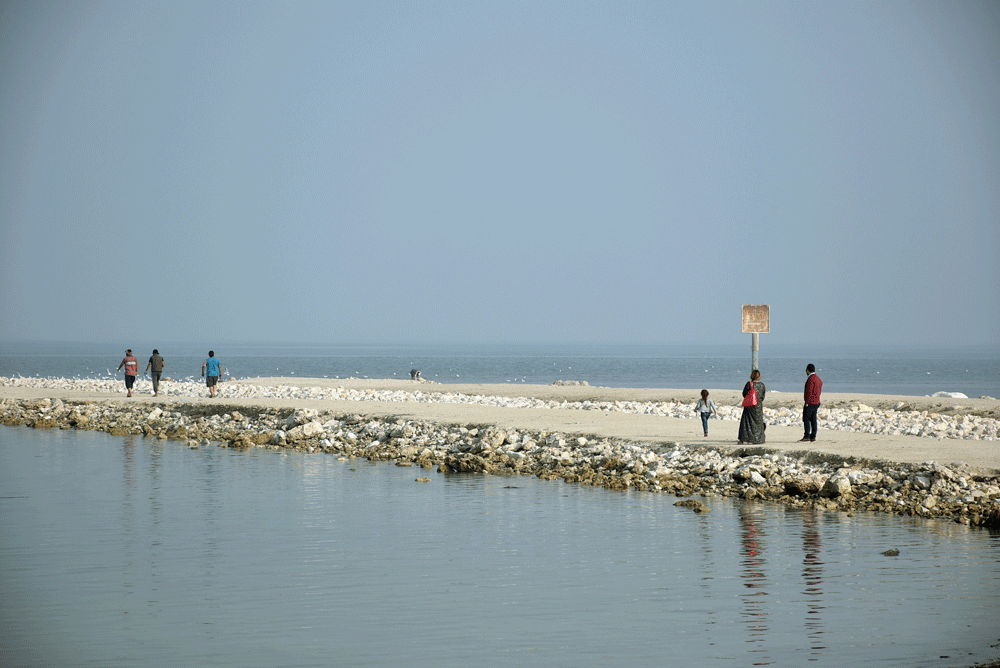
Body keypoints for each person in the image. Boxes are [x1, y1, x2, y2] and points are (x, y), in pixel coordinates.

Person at [738, 369, 766, 444]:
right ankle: (758, 438)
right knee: (758, 423)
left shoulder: (749, 384)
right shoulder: (762, 385)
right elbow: (763, 397)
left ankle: (744, 439)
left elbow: (744, 394)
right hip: (758, 406)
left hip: (749, 405)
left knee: (746, 422)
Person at [800, 363, 823, 442]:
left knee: (806, 418)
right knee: (813, 419)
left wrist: (807, 401)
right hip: (816, 402)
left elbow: (809, 391)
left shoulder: (811, 379)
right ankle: (813, 436)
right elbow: (819, 388)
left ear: (808, 370)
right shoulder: (818, 378)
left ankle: (807, 435)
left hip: (810, 402)